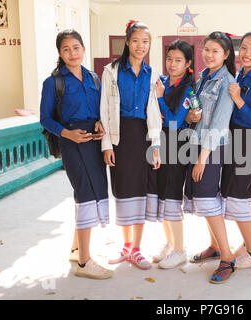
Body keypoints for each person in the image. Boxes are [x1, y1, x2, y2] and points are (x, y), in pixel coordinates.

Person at [40, 29, 113, 280]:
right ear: (60, 53)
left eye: (76, 47)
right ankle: (84, 263)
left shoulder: (93, 78)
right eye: (66, 49)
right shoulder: (54, 82)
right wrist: (67, 134)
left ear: (83, 48)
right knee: (84, 194)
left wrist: (101, 123)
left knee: (95, 191)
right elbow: (45, 118)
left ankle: (76, 248)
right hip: (72, 144)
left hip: (93, 142)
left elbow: (100, 109)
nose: (72, 53)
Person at [100, 20, 162, 270]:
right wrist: (106, 144)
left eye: (145, 41)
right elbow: (104, 108)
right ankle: (125, 246)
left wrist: (156, 145)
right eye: (136, 40)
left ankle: (137, 248)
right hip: (120, 137)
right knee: (124, 190)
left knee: (141, 191)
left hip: (143, 136)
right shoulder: (111, 71)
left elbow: (154, 112)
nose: (140, 46)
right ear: (127, 41)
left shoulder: (152, 74)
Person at [183, 31, 237, 284]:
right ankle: (214, 246)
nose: (209, 54)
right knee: (202, 199)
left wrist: (203, 157)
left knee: (206, 198)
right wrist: (191, 117)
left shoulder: (226, 81)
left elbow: (218, 123)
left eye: (215, 50)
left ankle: (227, 258)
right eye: (206, 49)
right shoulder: (204, 76)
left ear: (226, 55)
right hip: (196, 144)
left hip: (211, 148)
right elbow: (199, 113)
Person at [221, 31, 251, 269]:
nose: (247, 54)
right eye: (244, 48)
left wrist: (239, 100)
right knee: (232, 191)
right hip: (235, 138)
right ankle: (245, 245)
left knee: (239, 192)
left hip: (249, 141)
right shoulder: (240, 73)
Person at [150, 40, 194, 269]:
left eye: (178, 60)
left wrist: (159, 98)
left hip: (178, 146)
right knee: (162, 195)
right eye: (169, 59)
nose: (172, 64)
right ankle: (169, 244)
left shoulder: (188, 88)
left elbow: (176, 121)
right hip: (159, 144)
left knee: (173, 195)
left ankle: (180, 249)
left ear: (188, 63)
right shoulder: (162, 82)